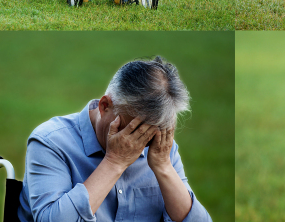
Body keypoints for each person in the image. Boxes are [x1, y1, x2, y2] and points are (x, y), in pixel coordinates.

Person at [17, 56, 212, 222]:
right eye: (134, 130)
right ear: (104, 106)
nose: (141, 144)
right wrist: (114, 162)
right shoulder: (51, 142)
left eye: (151, 133)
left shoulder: (160, 148)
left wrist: (163, 167)